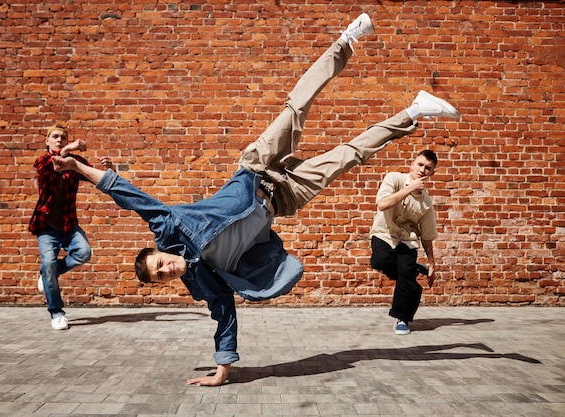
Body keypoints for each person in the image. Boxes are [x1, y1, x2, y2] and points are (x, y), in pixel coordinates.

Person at [51, 13, 459, 385]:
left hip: (255, 168)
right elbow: (223, 313)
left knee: (296, 108)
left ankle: (346, 41)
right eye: (161, 277)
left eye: (160, 264)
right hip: (282, 197)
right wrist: (222, 370)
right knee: (349, 155)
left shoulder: (169, 227)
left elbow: (130, 196)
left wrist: (78, 169)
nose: (167, 270)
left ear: (159, 252)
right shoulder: (200, 280)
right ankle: (413, 112)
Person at [28, 123, 115, 330]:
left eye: (63, 137)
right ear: (47, 141)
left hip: (68, 224)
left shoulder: (74, 162)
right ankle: (56, 312)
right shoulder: (42, 161)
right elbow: (46, 167)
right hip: (47, 227)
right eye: (55, 137)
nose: (59, 140)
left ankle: (49, 273)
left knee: (83, 252)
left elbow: (94, 176)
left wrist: (109, 169)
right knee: (48, 263)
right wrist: (67, 150)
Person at [370, 148, 441, 335]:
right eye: (420, 164)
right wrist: (410, 188)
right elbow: (382, 204)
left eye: (428, 168)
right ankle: (410, 272)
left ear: (432, 173)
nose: (422, 170)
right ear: (412, 163)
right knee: (379, 261)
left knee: (406, 281)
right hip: (384, 233)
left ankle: (402, 319)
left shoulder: (426, 203)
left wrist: (432, 264)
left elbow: (427, 235)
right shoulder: (394, 179)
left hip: (407, 241)